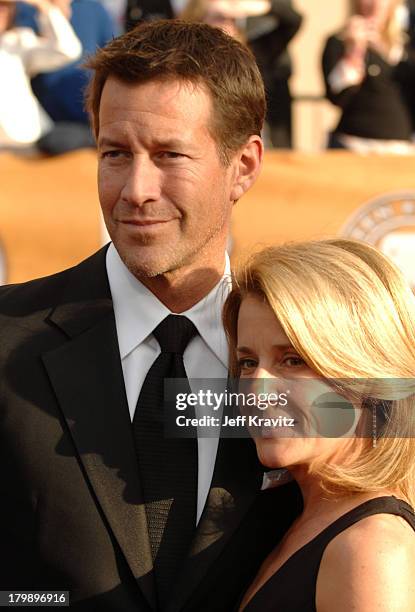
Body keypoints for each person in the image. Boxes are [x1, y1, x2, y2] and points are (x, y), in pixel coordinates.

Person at [0, 19, 300, 611]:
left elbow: (376, 515)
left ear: (244, 165)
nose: (136, 188)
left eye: (170, 156)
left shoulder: (317, 356)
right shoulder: (7, 338)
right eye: (116, 153)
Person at [222, 238, 415, 610]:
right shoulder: (293, 519)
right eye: (248, 363)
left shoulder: (372, 548)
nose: (257, 392)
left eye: (292, 360)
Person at [180, 0, 303, 148]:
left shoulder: (253, 52)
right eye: (219, 17)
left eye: (232, 19)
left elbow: (293, 20)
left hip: (257, 146)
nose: (227, 25)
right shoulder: (184, 61)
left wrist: (258, 6)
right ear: (198, 19)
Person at [14, 0, 115, 154]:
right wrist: (49, 13)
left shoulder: (93, 8)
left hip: (91, 124)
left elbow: (112, 60)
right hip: (43, 129)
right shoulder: (26, 9)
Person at [322, 0, 415, 153]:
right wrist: (354, 52)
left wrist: (385, 51)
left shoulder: (406, 45)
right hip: (354, 144)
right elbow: (337, 95)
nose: (375, 4)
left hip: (401, 148)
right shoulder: (339, 41)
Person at [0, 0, 81, 149]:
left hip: (27, 141)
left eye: (5, 7)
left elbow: (67, 50)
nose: (1, 13)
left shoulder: (17, 42)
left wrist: (44, 7)